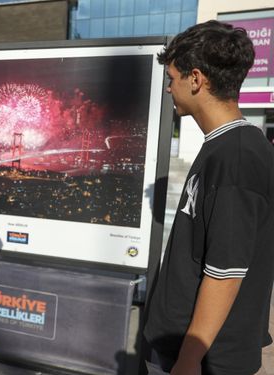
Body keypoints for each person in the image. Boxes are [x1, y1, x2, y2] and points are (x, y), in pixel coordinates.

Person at [144, 20, 274, 375]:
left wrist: (187, 360)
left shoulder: (236, 157)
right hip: (187, 351)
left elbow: (226, 272)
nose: (169, 88)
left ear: (197, 79)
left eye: (172, 78)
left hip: (203, 361)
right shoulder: (225, 147)